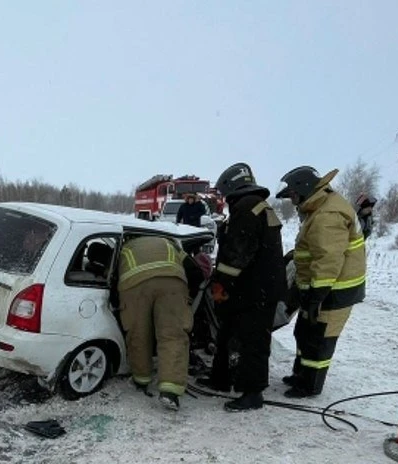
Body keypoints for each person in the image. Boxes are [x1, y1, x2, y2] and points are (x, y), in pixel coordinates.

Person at [197, 162, 286, 412]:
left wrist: (220, 283)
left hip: (255, 291)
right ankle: (221, 380)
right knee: (227, 333)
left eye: (224, 197)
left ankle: (252, 393)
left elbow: (237, 254)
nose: (224, 201)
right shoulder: (255, 205)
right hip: (250, 288)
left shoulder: (246, 208)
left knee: (253, 343)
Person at [276, 166, 366, 398]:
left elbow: (328, 259)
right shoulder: (321, 207)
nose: (293, 201)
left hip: (334, 290)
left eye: (294, 195)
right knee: (304, 331)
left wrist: (317, 295)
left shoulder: (326, 216)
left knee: (319, 337)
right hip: (322, 286)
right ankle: (300, 374)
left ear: (305, 189)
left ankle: (309, 385)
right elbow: (313, 250)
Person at [116, 235, 204, 410]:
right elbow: (195, 271)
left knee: (138, 333)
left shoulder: (123, 247)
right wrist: (188, 295)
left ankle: (141, 379)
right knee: (173, 336)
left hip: (134, 285)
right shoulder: (170, 243)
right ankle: (170, 391)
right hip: (172, 283)